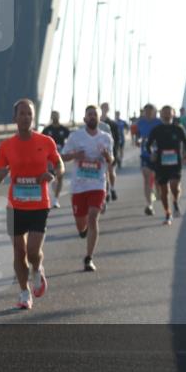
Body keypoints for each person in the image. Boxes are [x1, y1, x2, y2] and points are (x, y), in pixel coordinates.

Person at [0, 99, 63, 309]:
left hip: (39, 204)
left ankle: (38, 267)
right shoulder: (6, 146)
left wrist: (52, 174)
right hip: (15, 206)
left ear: (33, 118)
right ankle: (24, 293)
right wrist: (3, 172)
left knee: (32, 251)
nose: (25, 117)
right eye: (21, 114)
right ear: (15, 118)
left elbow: (59, 165)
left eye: (29, 114)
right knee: (18, 252)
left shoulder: (46, 141)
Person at [61, 105, 114, 272]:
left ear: (99, 119)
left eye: (95, 115)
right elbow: (62, 156)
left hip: (97, 184)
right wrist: (75, 155)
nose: (92, 117)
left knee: (93, 218)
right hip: (79, 186)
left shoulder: (106, 138)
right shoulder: (75, 136)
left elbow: (111, 160)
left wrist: (107, 156)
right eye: (89, 114)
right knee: (81, 223)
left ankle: (89, 257)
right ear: (84, 119)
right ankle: (83, 232)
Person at [144, 105, 186, 225]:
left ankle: (175, 202)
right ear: (160, 115)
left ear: (173, 114)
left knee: (175, 186)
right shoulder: (156, 130)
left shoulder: (178, 129)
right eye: (164, 112)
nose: (166, 114)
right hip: (161, 163)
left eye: (168, 112)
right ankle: (167, 213)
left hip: (175, 162)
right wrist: (152, 153)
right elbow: (148, 145)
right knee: (164, 191)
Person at [135, 104, 162, 215]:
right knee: (147, 177)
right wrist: (138, 140)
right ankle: (149, 205)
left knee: (157, 180)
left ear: (155, 112)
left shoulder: (159, 122)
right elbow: (138, 135)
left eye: (151, 111)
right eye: (146, 111)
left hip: (158, 155)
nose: (148, 113)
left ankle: (158, 192)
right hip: (145, 155)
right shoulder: (140, 122)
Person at [41, 110, 70, 209]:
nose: (54, 118)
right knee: (50, 177)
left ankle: (56, 200)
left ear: (59, 117)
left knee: (60, 176)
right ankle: (48, 197)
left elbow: (70, 142)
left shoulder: (64, 130)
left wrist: (67, 152)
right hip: (49, 158)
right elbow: (41, 141)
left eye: (56, 116)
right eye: (53, 116)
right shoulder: (47, 130)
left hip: (60, 157)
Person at [99, 102, 122, 202]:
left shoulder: (112, 124)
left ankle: (112, 188)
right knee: (103, 173)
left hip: (111, 151)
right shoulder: (97, 123)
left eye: (106, 108)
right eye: (103, 107)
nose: (104, 109)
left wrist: (115, 151)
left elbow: (117, 139)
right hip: (99, 153)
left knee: (110, 171)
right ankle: (106, 192)